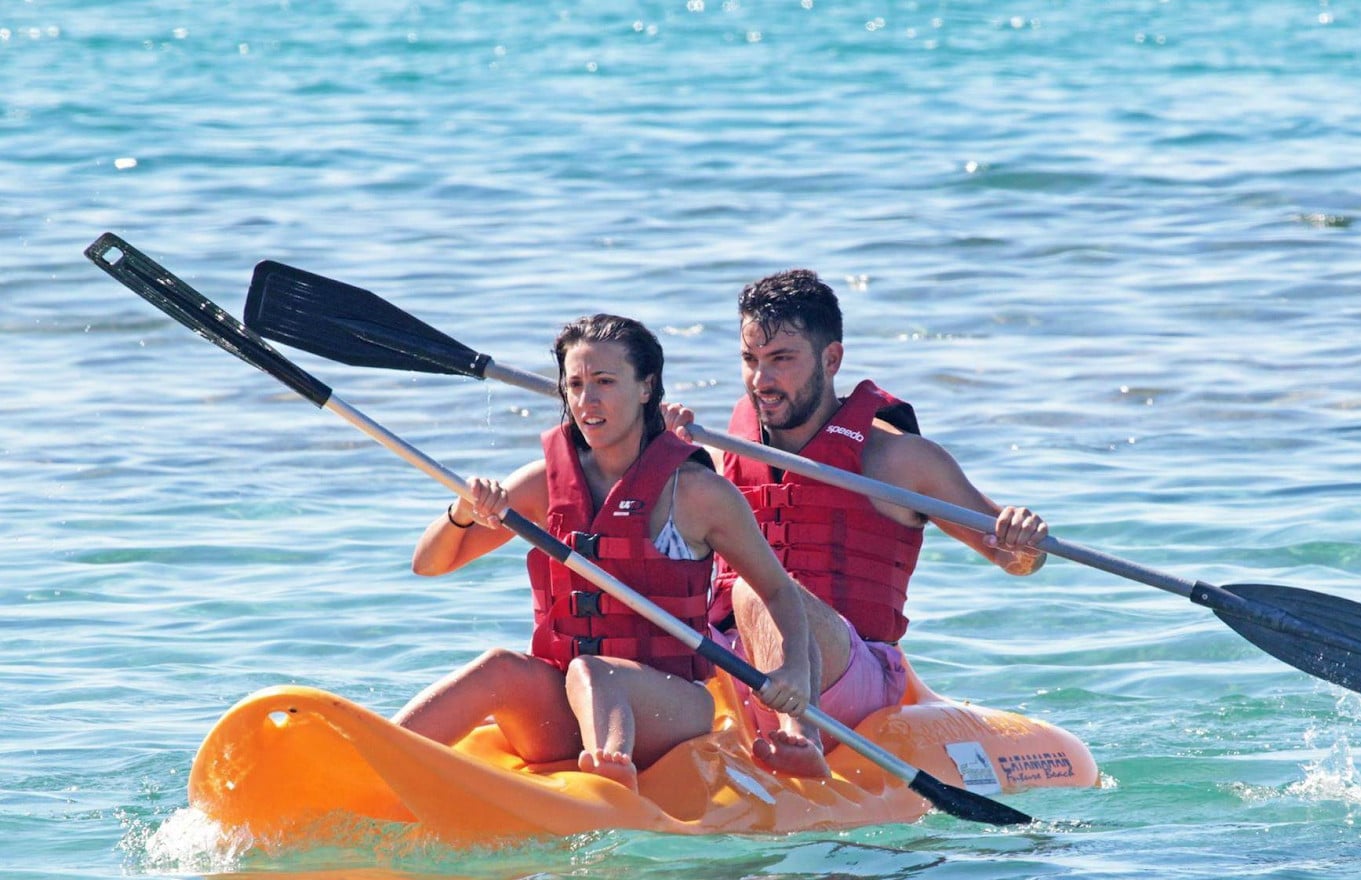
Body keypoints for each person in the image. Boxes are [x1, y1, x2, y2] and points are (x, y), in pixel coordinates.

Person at [394, 314, 821, 790]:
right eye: (574, 384)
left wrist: (794, 673)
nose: (586, 400)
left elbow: (778, 591)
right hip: (562, 707)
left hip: (670, 707)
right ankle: (376, 757)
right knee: (499, 666)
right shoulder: (543, 484)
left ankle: (610, 778)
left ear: (645, 388)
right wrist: (462, 512)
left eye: (604, 382)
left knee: (593, 671)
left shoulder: (699, 493)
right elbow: (429, 565)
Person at [666, 269, 1050, 775]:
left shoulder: (897, 462)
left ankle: (798, 736)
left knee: (756, 590)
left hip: (849, 671)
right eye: (750, 360)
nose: (761, 380)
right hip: (732, 664)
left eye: (781, 360)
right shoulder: (717, 453)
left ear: (831, 359)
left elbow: (1016, 559)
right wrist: (652, 456)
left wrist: (1024, 537)